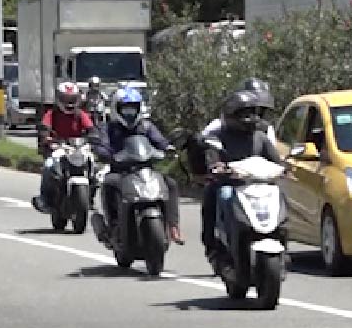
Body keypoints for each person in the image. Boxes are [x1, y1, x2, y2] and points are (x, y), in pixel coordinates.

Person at [93, 87, 184, 245]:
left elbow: (160, 141)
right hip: (121, 171)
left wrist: (168, 148)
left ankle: (173, 225)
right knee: (109, 183)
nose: (129, 113)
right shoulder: (108, 128)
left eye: (133, 108)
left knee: (170, 184)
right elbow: (102, 145)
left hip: (146, 170)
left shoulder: (146, 126)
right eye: (125, 109)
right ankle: (113, 225)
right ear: (116, 108)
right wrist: (106, 154)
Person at [201, 89, 283, 263]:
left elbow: (276, 160)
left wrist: (286, 168)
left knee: (279, 194)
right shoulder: (218, 137)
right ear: (230, 115)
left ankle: (282, 240)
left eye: (251, 113)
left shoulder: (260, 138)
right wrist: (217, 167)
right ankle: (216, 243)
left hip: (259, 185)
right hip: (230, 185)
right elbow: (212, 158)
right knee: (220, 194)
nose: (249, 118)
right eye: (243, 114)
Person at [32, 82, 95, 213]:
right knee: (49, 166)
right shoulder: (52, 114)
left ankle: (91, 197)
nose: (69, 102)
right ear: (59, 98)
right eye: (66, 99)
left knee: (95, 168)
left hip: (79, 148)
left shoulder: (80, 114)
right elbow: (44, 128)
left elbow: (91, 128)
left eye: (72, 99)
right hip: (59, 147)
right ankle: (45, 199)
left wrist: (94, 137)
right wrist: (46, 137)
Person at [202, 77, 277, 144]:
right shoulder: (217, 125)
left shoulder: (267, 130)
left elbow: (272, 155)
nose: (254, 116)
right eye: (249, 110)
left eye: (259, 110)